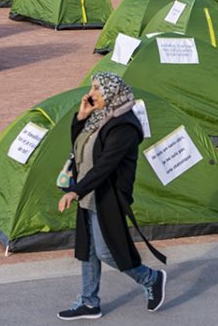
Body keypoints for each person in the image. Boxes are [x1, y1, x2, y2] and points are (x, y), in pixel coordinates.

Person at [56, 72, 167, 320]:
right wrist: (80, 118)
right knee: (88, 249)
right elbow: (79, 147)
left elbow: (105, 165)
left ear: (111, 92)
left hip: (108, 194)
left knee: (106, 251)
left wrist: (76, 190)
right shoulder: (100, 117)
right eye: (92, 87)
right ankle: (89, 301)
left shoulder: (124, 125)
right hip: (90, 189)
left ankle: (150, 278)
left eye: (97, 88)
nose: (91, 93)